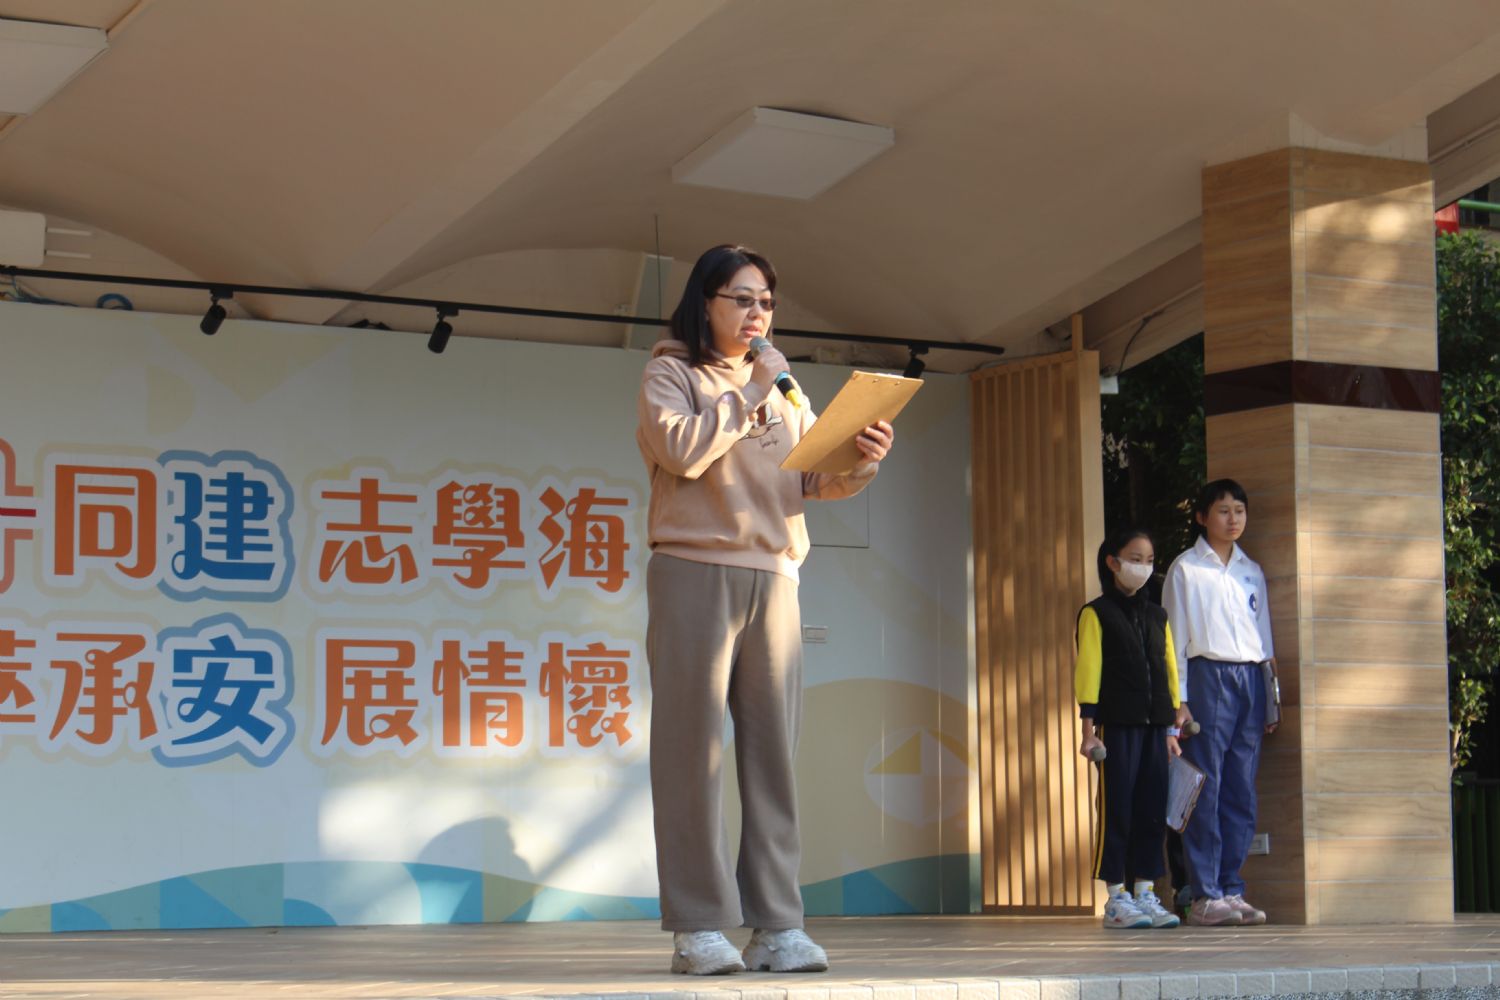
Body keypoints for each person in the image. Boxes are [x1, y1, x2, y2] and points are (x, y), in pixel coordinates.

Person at [635, 244, 894, 975]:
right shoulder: (671, 373)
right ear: (706, 302)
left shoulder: (783, 385)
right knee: (691, 753)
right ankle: (698, 927)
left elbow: (813, 478)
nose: (758, 314)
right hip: (693, 569)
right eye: (743, 299)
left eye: (767, 303)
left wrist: (864, 456)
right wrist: (749, 389)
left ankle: (778, 925)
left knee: (773, 757)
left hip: (776, 575)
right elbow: (681, 451)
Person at [1161, 479, 1277, 927]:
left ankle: (1231, 887)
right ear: (1202, 517)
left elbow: (1264, 637)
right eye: (1223, 510)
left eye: (1239, 510)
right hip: (1206, 677)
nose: (1233, 519)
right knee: (1204, 786)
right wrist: (1180, 700)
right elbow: (1174, 639)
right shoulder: (1186, 568)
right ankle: (1204, 894)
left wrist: (1270, 697)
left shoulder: (1251, 570)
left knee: (1241, 787)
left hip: (1250, 680)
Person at [1075, 527, 1182, 930]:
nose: (1143, 567)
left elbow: (1170, 670)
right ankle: (1116, 897)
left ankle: (1146, 892)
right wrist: (1088, 730)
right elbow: (1089, 672)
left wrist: (1172, 728)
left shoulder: (1158, 616)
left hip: (1156, 726)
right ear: (1113, 562)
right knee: (1116, 808)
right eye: (1135, 559)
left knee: (1152, 810)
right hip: (1116, 725)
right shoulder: (1096, 612)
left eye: (1149, 560)